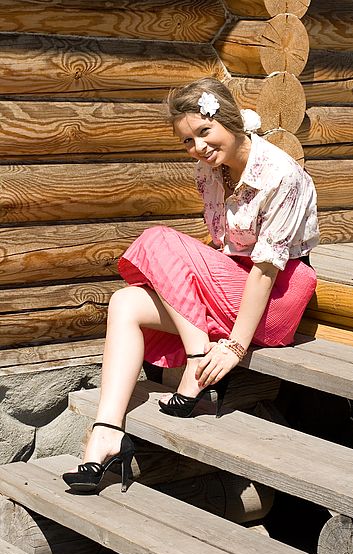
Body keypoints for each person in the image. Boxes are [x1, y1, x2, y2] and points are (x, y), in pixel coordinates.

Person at [62, 77, 320, 493]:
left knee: (158, 240)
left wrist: (234, 346)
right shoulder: (210, 172)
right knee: (125, 302)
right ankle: (107, 432)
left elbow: (265, 270)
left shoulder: (281, 176)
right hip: (233, 285)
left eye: (204, 132)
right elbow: (222, 245)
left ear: (231, 121)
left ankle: (198, 363)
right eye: (187, 141)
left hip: (276, 298)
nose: (198, 148)